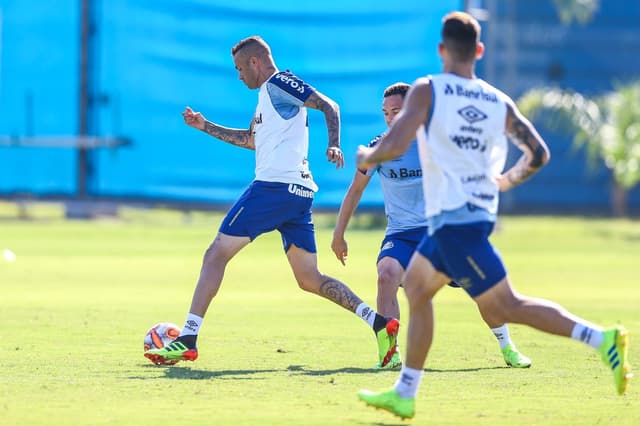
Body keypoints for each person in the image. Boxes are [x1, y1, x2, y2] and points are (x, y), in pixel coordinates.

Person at [355, 12, 631, 420]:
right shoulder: (497, 101)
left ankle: (601, 338)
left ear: (442, 50)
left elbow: (396, 142)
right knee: (416, 287)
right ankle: (406, 391)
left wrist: (368, 155)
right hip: (469, 217)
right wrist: (506, 180)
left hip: (455, 222)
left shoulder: (428, 89)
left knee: (507, 306)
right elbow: (538, 154)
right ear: (479, 51)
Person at [144, 35, 400, 368]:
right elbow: (251, 140)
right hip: (297, 195)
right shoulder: (268, 97)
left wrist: (334, 143)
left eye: (239, 68)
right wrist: (204, 125)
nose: (238, 76)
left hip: (273, 189)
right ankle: (380, 323)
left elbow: (329, 105)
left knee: (215, 255)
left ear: (254, 62)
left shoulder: (279, 82)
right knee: (309, 279)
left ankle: (188, 338)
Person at [331, 82, 531, 370]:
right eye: (386, 113)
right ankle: (390, 355)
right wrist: (339, 234)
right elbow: (355, 190)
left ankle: (507, 346)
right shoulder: (380, 147)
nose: (390, 119)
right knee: (386, 274)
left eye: (397, 112)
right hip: (401, 234)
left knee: (482, 290)